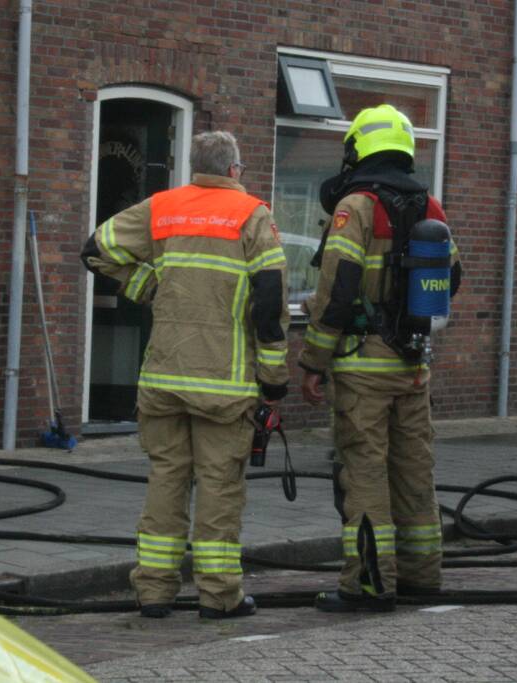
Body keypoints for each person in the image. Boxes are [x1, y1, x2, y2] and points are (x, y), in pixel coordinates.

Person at [81, 131, 289, 619]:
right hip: (226, 385)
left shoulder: (163, 207)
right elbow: (270, 302)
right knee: (219, 488)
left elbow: (95, 250)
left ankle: (153, 592)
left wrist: (148, 285)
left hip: (164, 379)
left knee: (166, 482)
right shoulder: (252, 215)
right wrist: (274, 378)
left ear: (193, 169)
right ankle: (219, 597)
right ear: (235, 170)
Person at [299, 104, 462, 613]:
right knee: (415, 470)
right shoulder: (429, 206)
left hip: (364, 366)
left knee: (364, 473)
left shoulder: (358, 206)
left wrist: (313, 361)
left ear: (358, 149)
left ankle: (368, 584)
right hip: (414, 365)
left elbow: (339, 284)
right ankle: (421, 575)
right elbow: (452, 277)